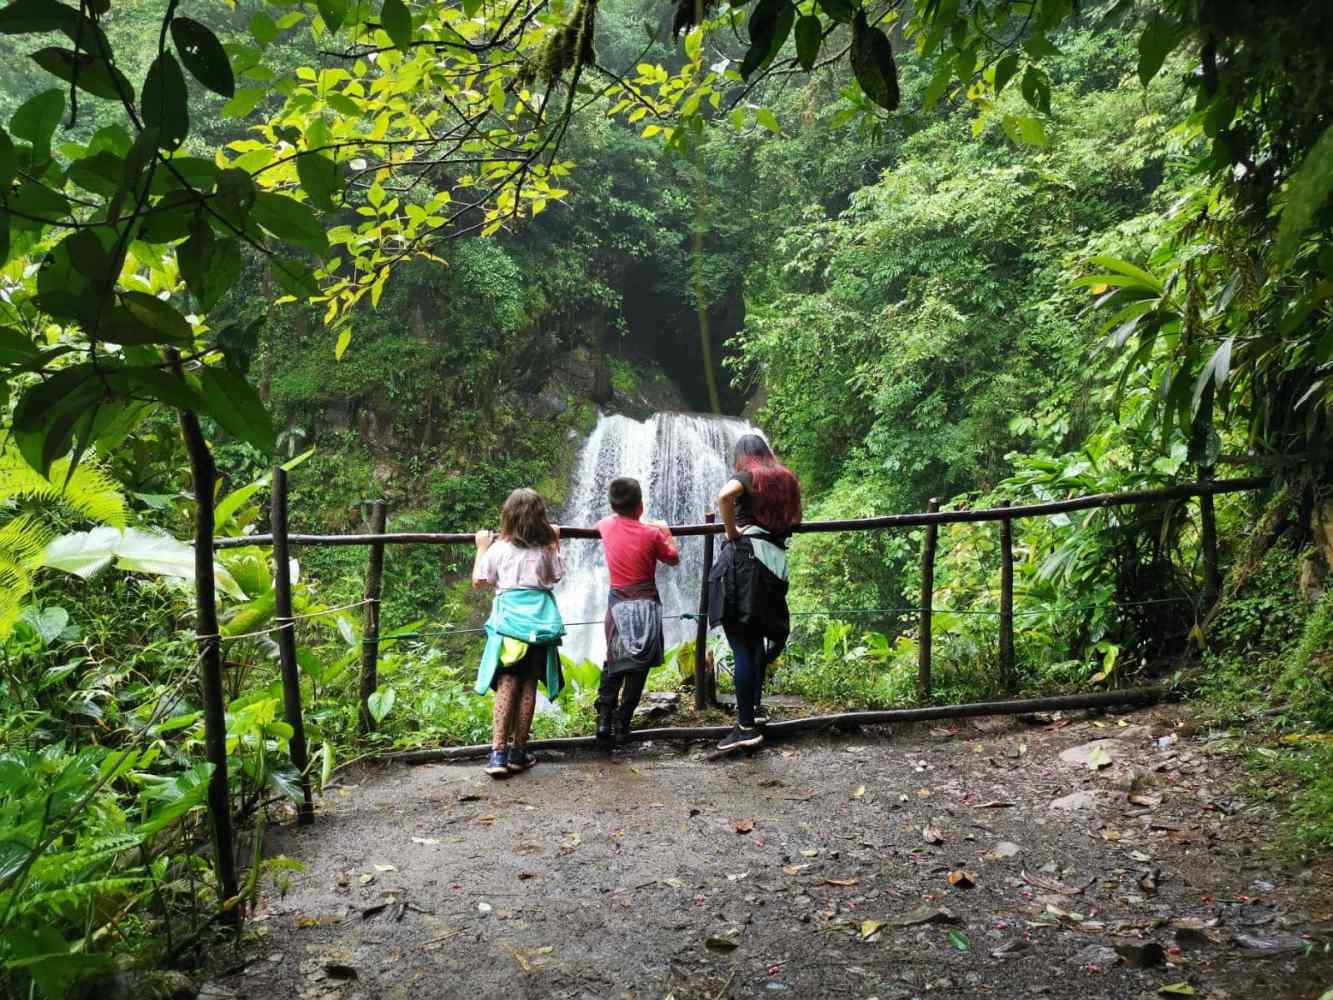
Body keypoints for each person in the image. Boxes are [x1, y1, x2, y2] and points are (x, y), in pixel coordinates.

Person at [708, 435, 802, 752]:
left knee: (743, 645)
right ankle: (754, 713)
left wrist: (732, 531)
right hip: (774, 563)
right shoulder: (787, 478)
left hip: (745, 562)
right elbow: (797, 520)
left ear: (742, 457)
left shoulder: (749, 476)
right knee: (756, 641)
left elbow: (724, 495)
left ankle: (745, 727)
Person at [472, 488, 567, 778]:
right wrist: (556, 541)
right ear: (540, 519)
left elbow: (479, 580)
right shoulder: (544, 549)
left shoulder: (499, 549)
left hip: (509, 625)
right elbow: (556, 576)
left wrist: (481, 547)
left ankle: (497, 753)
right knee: (528, 686)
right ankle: (518, 752)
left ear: (507, 518)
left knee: (507, 684)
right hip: (538, 626)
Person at [594, 477, 680, 746]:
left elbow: (611, 521)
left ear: (611, 505)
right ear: (641, 507)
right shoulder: (652, 534)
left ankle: (604, 717)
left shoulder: (606, 525)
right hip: (646, 603)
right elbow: (673, 559)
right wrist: (667, 532)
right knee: (639, 665)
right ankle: (623, 721)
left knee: (614, 657)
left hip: (618, 602)